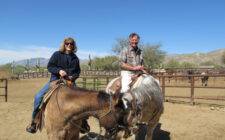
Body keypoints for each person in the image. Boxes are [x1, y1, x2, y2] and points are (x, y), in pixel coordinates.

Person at [26, 37, 89, 133]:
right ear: (64, 44)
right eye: (67, 43)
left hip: (70, 82)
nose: (69, 45)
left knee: (83, 100)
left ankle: (83, 123)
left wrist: (73, 77)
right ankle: (34, 122)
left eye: (71, 44)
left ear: (73, 45)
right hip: (56, 80)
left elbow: (77, 71)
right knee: (38, 97)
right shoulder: (57, 54)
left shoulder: (75, 58)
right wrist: (59, 71)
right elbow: (50, 66)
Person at [119, 33, 144, 114]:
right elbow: (121, 64)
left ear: (138, 40)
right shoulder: (125, 50)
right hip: (127, 72)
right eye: (133, 40)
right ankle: (126, 111)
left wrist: (139, 72)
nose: (134, 42)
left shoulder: (140, 51)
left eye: (136, 40)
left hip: (138, 73)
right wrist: (133, 68)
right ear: (130, 40)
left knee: (148, 85)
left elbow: (142, 64)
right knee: (125, 90)